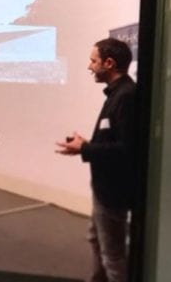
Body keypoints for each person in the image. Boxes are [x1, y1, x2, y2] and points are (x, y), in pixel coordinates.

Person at [57, 37, 139, 282]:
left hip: (113, 191)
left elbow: (127, 149)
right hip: (104, 187)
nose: (89, 66)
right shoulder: (118, 94)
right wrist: (87, 145)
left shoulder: (126, 96)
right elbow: (113, 138)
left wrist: (85, 149)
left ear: (109, 63)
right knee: (96, 239)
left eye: (93, 61)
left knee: (113, 256)